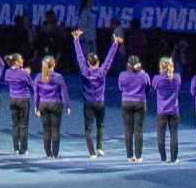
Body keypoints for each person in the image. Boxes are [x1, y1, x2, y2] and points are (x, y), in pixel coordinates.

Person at [71, 26, 121, 157]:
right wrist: (115, 44)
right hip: (100, 103)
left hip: (88, 104)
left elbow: (79, 57)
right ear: (98, 62)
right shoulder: (102, 71)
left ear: (88, 63)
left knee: (88, 129)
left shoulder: (85, 71)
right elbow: (109, 59)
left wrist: (76, 41)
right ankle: (99, 147)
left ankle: (92, 153)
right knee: (100, 125)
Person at [116, 47, 149, 161]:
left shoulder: (122, 75)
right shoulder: (144, 75)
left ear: (128, 65)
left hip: (126, 102)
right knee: (138, 130)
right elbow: (148, 88)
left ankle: (129, 156)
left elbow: (120, 88)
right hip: (140, 102)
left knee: (128, 130)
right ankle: (138, 156)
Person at [32, 55, 68, 157]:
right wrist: (67, 105)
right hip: (55, 104)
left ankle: (48, 154)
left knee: (46, 130)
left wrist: (36, 106)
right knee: (55, 130)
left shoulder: (39, 76)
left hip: (43, 105)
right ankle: (55, 154)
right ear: (54, 64)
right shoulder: (58, 76)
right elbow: (63, 91)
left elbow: (36, 93)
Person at [150, 58, 183, 162]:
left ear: (161, 66)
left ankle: (163, 158)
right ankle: (174, 158)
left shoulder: (157, 78)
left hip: (162, 111)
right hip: (174, 110)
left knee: (161, 135)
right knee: (174, 134)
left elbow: (153, 88)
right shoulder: (177, 77)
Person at [4, 51, 34, 154]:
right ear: (16, 62)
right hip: (23, 100)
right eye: (21, 59)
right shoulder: (23, 73)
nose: (23, 61)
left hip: (13, 99)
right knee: (23, 125)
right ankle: (23, 149)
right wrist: (26, 74)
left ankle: (16, 148)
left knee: (15, 124)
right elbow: (32, 85)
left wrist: (22, 71)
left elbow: (8, 81)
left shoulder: (7, 72)